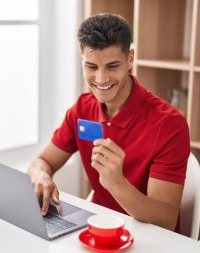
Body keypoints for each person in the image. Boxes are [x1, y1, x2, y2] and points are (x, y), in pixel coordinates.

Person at [28, 13, 190, 232]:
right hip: (98, 228)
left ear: (130, 58)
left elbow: (166, 221)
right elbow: (42, 161)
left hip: (149, 237)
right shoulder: (82, 109)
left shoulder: (169, 124)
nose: (101, 79)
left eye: (112, 66)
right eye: (91, 67)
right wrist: (41, 176)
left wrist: (117, 183)